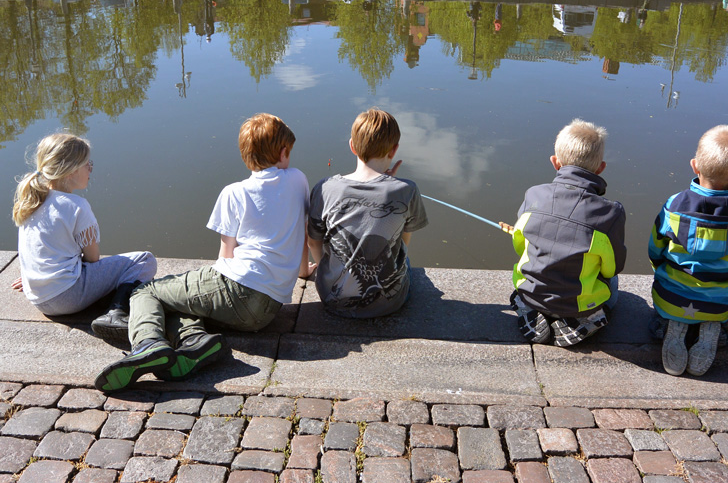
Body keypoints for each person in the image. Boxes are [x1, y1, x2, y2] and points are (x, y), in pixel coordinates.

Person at [94, 114, 314, 392]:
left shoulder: (234, 192)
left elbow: (226, 256)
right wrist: (303, 271)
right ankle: (195, 340)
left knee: (146, 292)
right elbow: (303, 231)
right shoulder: (298, 180)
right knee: (177, 301)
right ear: (283, 153)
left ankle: (147, 343)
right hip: (269, 309)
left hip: (238, 287)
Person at [649, 125, 728, 377]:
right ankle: (715, 329)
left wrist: (658, 269)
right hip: (718, 305)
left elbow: (655, 249)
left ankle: (670, 324)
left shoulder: (674, 206)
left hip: (671, 297)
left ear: (694, 165)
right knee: (724, 320)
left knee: (661, 317)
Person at [501, 119, 626, 347]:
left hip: (532, 292)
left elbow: (520, 246)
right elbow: (612, 268)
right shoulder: (610, 213)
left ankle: (527, 307)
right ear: (601, 168)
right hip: (577, 302)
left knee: (528, 269)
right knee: (613, 285)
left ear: (555, 162)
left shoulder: (534, 195)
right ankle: (584, 320)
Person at [12, 134, 157, 327]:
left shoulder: (31, 201)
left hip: (38, 298)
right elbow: (93, 259)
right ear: (71, 171)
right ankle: (116, 311)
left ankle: (105, 296)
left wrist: (34, 277)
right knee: (145, 260)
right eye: (87, 164)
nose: (90, 169)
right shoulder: (76, 205)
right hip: (67, 298)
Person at [308, 108, 428, 318]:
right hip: (388, 304)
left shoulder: (325, 188)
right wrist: (390, 184)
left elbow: (313, 242)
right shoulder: (406, 190)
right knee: (406, 261)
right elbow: (404, 241)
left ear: (352, 146)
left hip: (332, 299)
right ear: (394, 150)